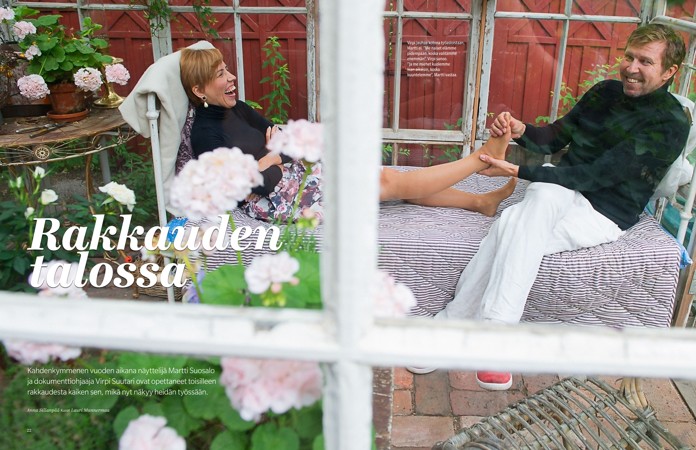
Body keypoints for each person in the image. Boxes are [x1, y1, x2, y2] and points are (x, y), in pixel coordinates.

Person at [410, 24, 690, 390]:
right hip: (559, 191)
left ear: (669, 71)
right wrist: (521, 129)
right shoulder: (606, 91)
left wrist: (520, 171)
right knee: (541, 197)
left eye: (645, 62)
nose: (631, 68)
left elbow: (598, 175)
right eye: (629, 57)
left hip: (604, 213)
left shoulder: (670, 122)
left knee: (512, 224)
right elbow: (556, 136)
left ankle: (450, 326)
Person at [178, 46, 516, 223]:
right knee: (386, 182)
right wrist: (271, 160)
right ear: (199, 89)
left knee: (387, 180)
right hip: (280, 200)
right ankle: (480, 160)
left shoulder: (236, 108)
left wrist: (271, 157)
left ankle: (479, 202)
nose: (231, 77)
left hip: (291, 176)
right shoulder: (206, 137)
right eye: (220, 74)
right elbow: (258, 185)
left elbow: (282, 139)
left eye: (227, 69)